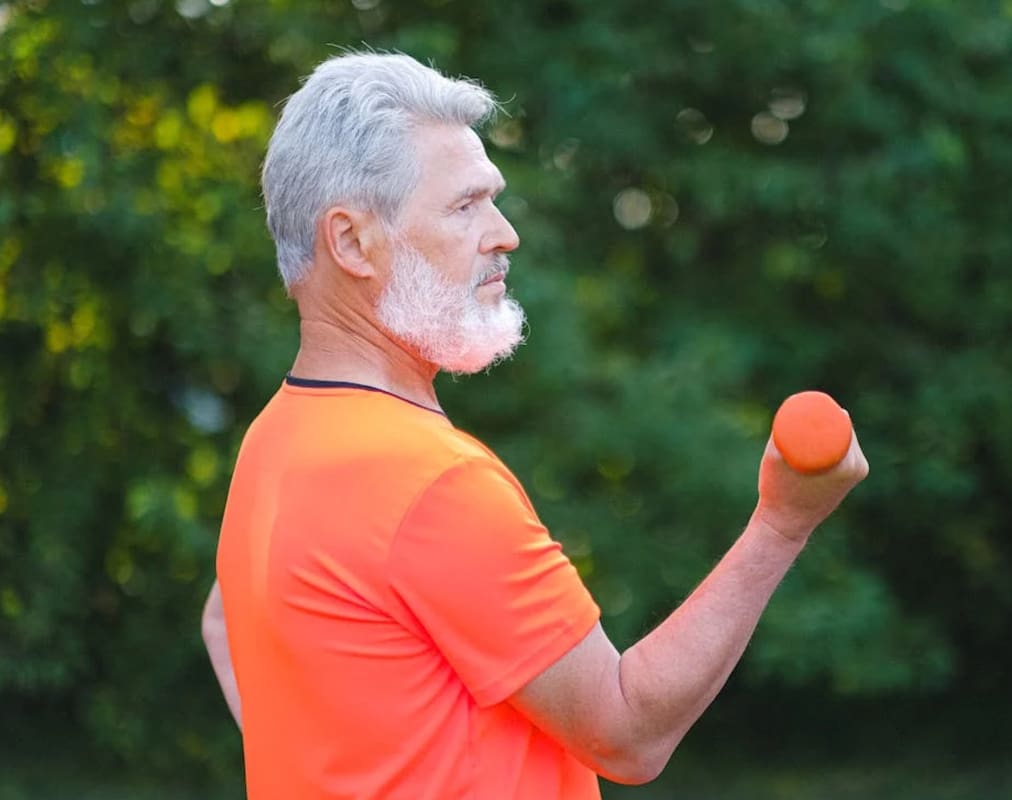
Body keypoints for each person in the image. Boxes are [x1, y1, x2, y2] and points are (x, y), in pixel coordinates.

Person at [202, 51, 868, 800]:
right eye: (465, 206)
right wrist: (782, 524)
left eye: (494, 199)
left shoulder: (276, 442)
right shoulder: (428, 482)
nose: (504, 233)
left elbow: (225, 622)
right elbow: (628, 731)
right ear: (353, 242)